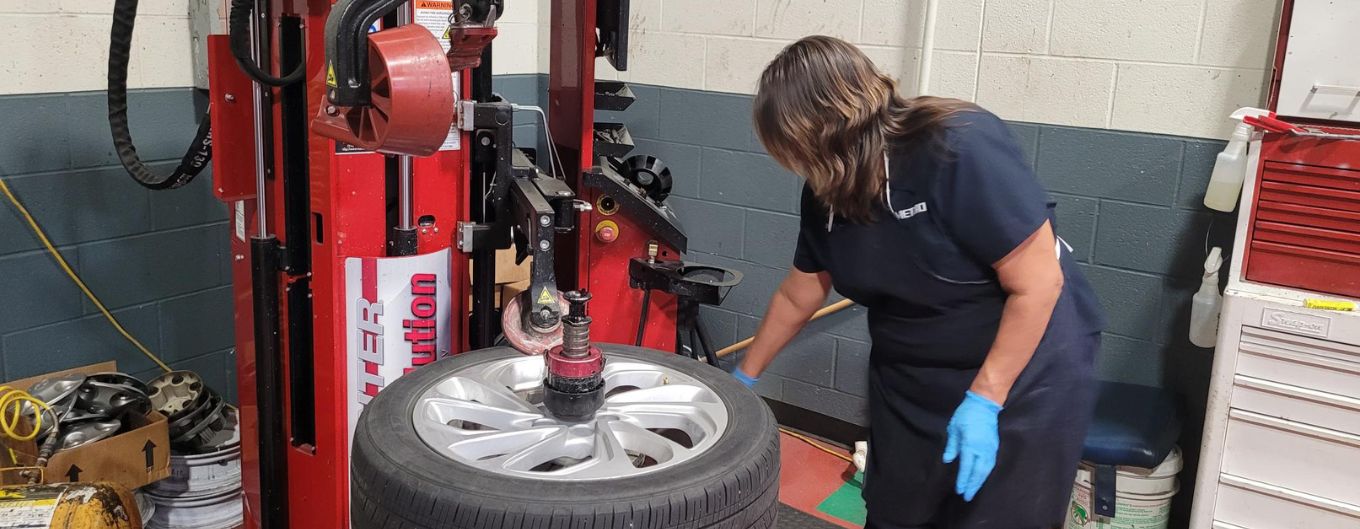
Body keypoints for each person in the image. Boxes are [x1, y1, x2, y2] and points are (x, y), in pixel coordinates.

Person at [733, 36, 1106, 529]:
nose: (802, 166)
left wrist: (984, 400)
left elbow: (1037, 284)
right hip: (911, 375)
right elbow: (799, 291)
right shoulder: (826, 189)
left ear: (833, 124)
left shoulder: (958, 146)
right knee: (896, 511)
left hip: (1023, 370)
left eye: (801, 148)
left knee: (997, 516)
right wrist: (743, 379)